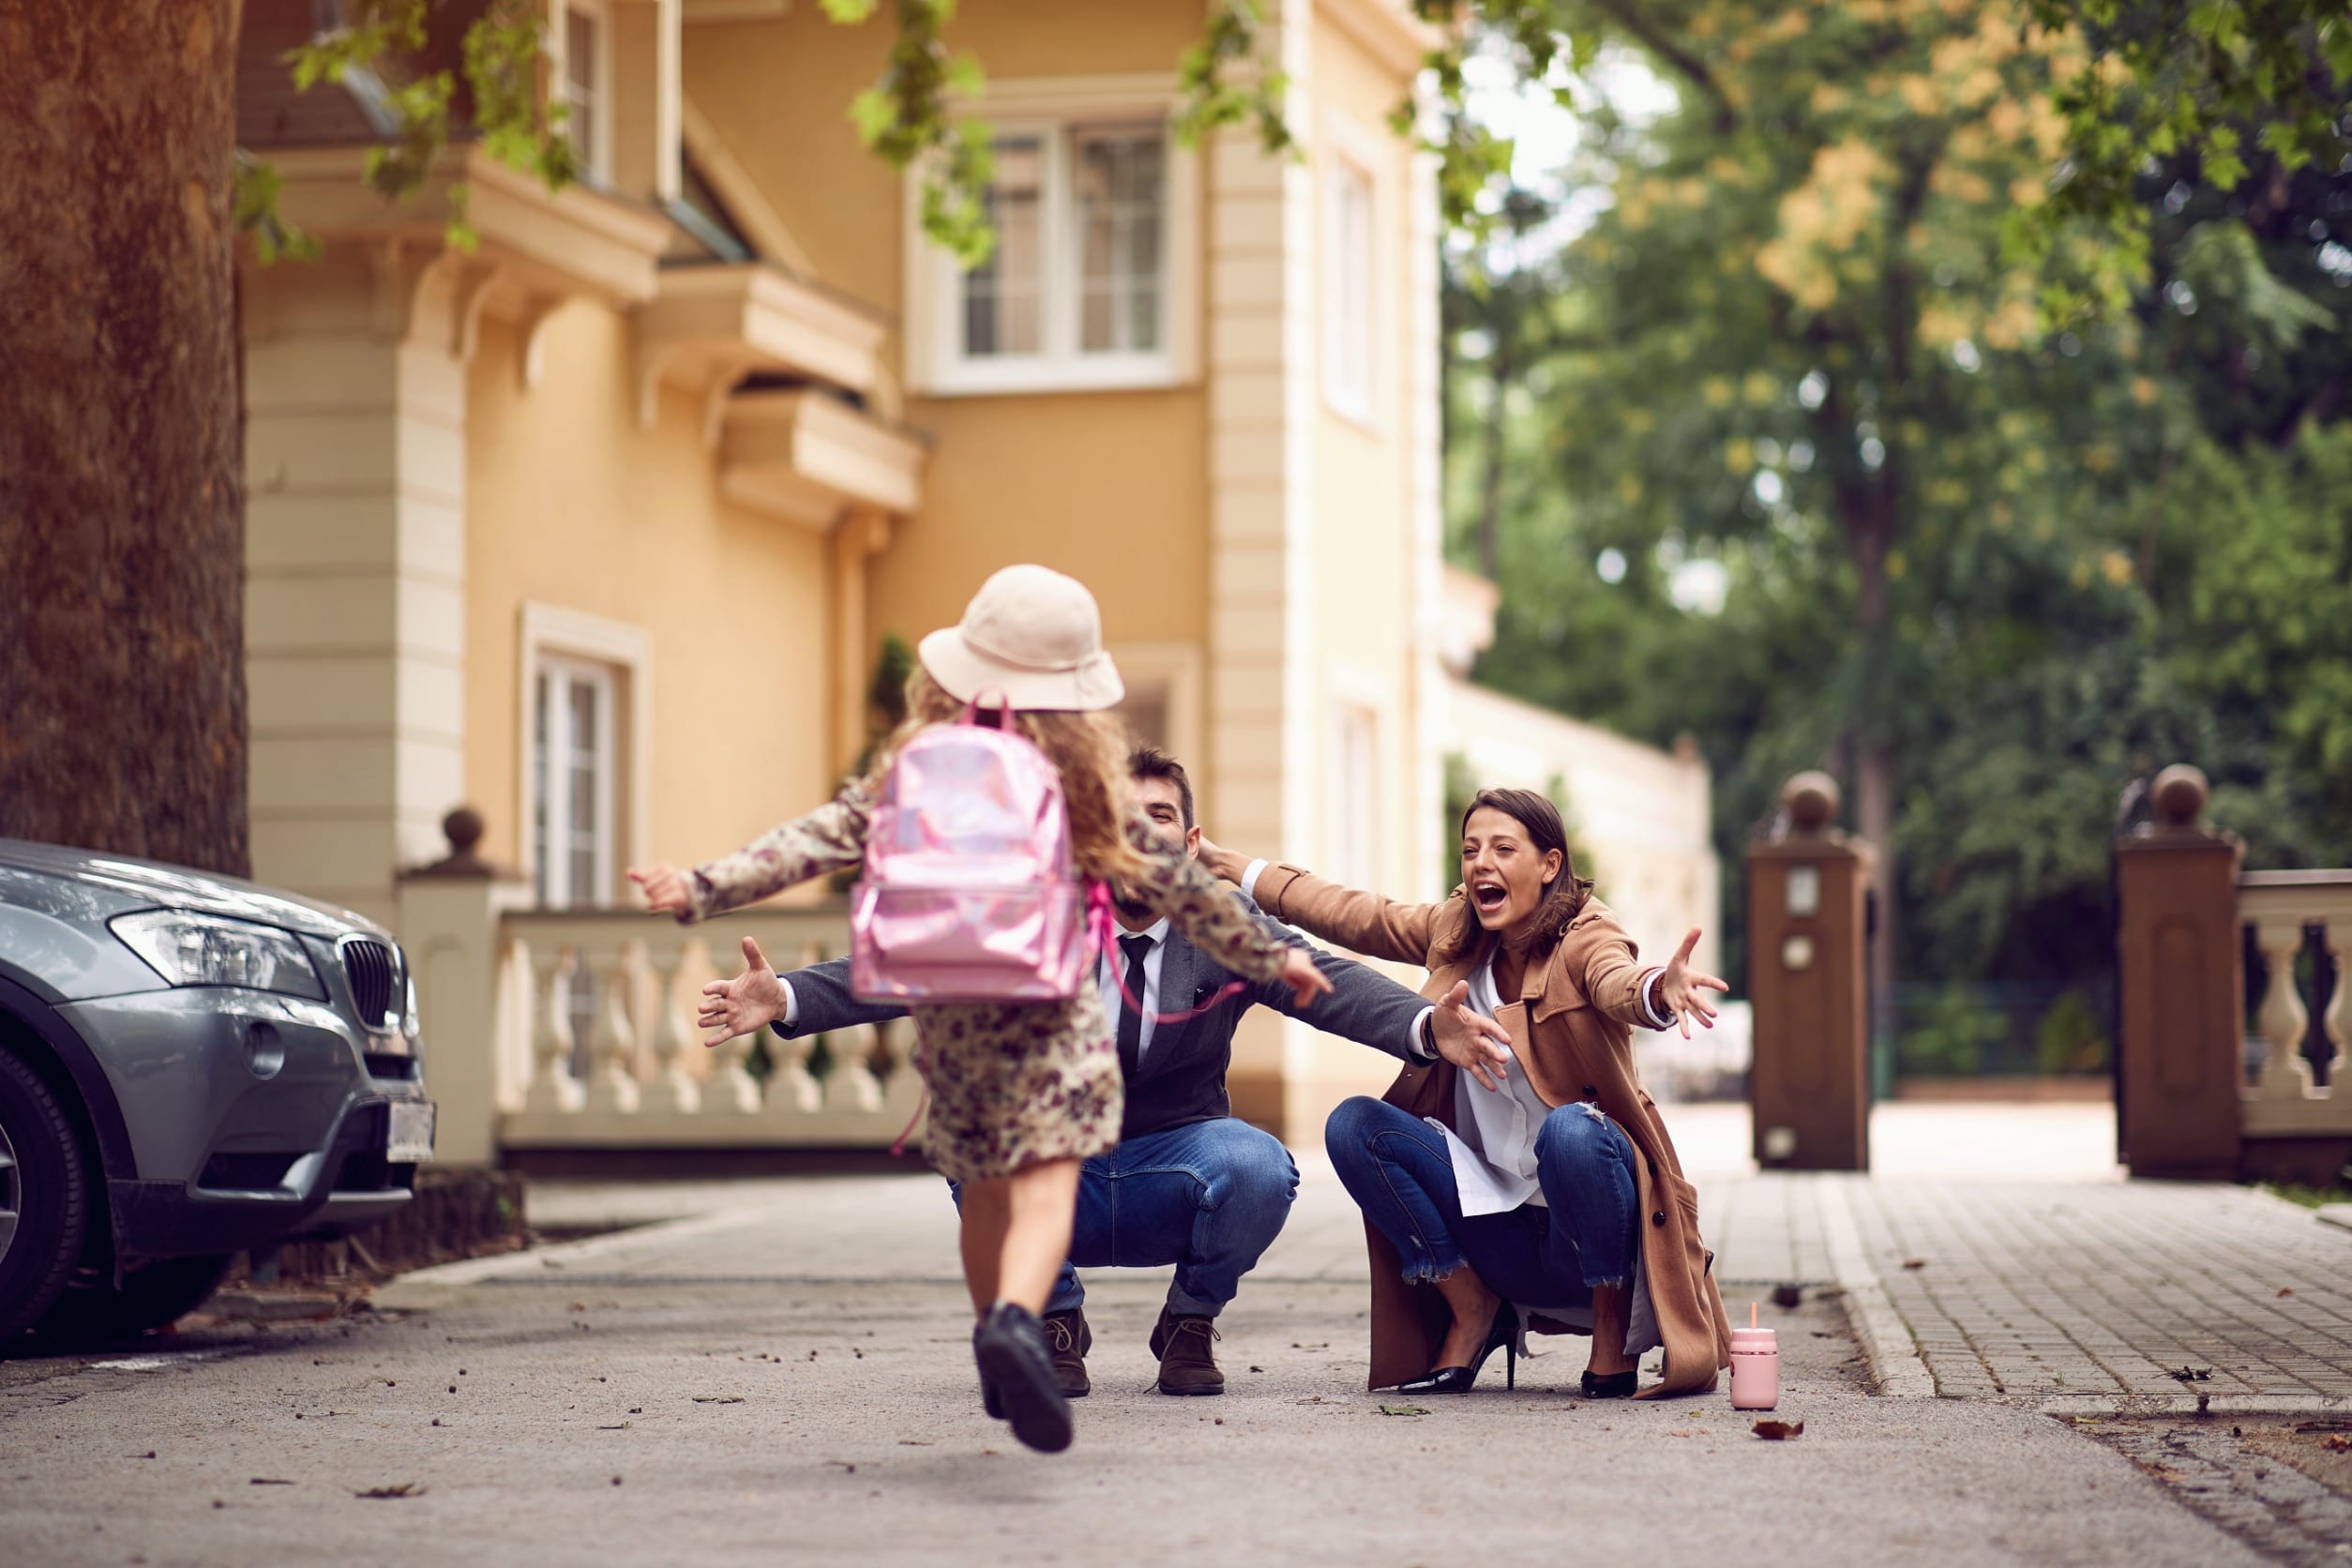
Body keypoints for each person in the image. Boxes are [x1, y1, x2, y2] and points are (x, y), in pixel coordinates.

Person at [627, 564, 1334, 1455]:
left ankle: (1006, 1321)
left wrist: (698, 888)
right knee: (1042, 1189)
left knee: (990, 1186)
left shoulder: (918, 769)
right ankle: (1019, 1322)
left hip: (962, 1024)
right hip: (1055, 1021)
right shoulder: (1081, 789)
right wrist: (1268, 954)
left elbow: (810, 841)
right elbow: (1176, 884)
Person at [697, 745, 1514, 1397]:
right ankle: (1056, 1321)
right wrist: (791, 997)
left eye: (1161, 816)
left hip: (1176, 1169)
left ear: (1190, 845)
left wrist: (1422, 1026)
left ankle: (1190, 1323)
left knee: (1260, 1164)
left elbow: (1326, 983)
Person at [1197, 788, 1734, 1398]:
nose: (1482, 862)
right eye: (1470, 849)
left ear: (1549, 864)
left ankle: (1610, 1327)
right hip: (1493, 1229)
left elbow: (1619, 981)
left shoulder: (1587, 935)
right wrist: (1229, 866)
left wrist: (1661, 991)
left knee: (1572, 1130)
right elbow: (1351, 912)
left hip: (1583, 1232)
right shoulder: (1456, 932)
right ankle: (1471, 1305)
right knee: (1355, 1125)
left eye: (1503, 848)